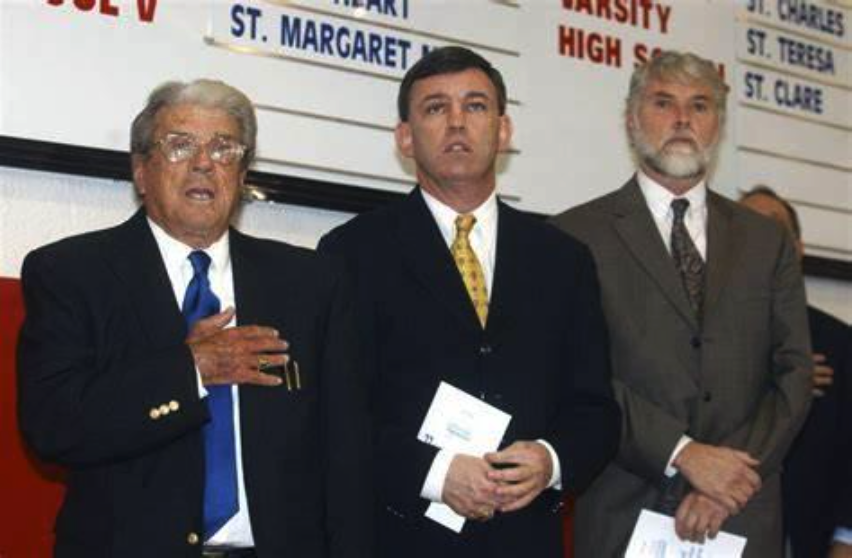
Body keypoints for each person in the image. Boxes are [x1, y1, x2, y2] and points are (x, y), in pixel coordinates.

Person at [16, 79, 371, 558]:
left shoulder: (310, 283)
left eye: (224, 148)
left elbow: (346, 456)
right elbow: (53, 427)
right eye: (180, 145)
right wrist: (190, 371)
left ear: (242, 176)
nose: (204, 162)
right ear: (141, 171)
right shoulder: (72, 273)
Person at [318, 46, 620, 558]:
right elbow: (336, 411)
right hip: (402, 538)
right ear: (405, 138)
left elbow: (595, 409)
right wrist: (434, 472)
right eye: (436, 108)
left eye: (475, 106)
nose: (457, 122)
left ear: (503, 131)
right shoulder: (353, 252)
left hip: (526, 540)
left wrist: (550, 460)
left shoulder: (563, 259)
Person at [551, 51, 812, 557]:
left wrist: (729, 479)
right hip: (623, 511)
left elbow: (795, 373)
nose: (682, 120)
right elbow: (578, 375)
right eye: (664, 103)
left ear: (718, 123)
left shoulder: (766, 241)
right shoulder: (573, 236)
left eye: (700, 105)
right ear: (631, 119)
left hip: (742, 512)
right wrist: (684, 455)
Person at [740, 186, 852, 558]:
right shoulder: (692, 339)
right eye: (744, 228)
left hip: (810, 538)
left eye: (773, 229)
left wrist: (846, 540)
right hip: (719, 529)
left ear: (798, 248)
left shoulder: (840, 343)